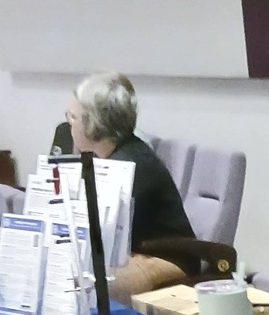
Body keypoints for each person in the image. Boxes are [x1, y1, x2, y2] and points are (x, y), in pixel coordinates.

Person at [64, 73, 194, 296]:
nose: (69, 123)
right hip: (136, 254)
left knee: (84, 286)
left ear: (94, 122)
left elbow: (105, 230)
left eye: (73, 117)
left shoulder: (132, 164)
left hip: (168, 258)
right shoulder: (111, 158)